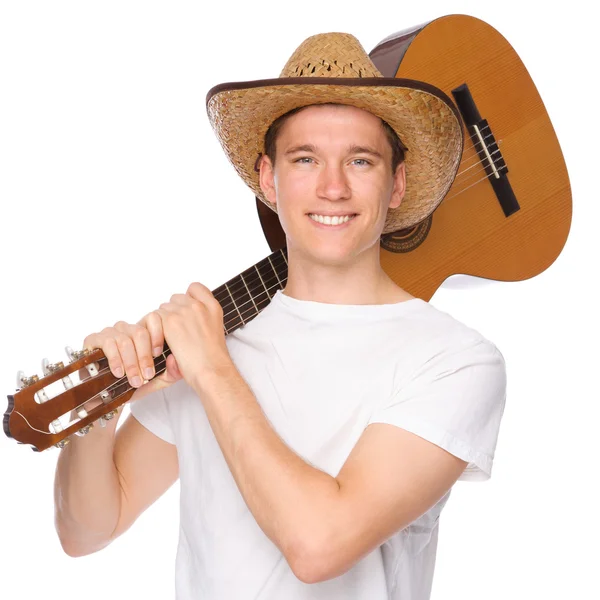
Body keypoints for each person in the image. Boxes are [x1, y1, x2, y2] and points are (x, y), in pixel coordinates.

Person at [53, 32, 507, 599]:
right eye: (306, 159)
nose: (333, 187)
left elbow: (319, 546)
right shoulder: (211, 344)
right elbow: (87, 530)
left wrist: (215, 372)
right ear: (268, 180)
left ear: (397, 184)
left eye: (360, 161)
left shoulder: (454, 360)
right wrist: (96, 407)